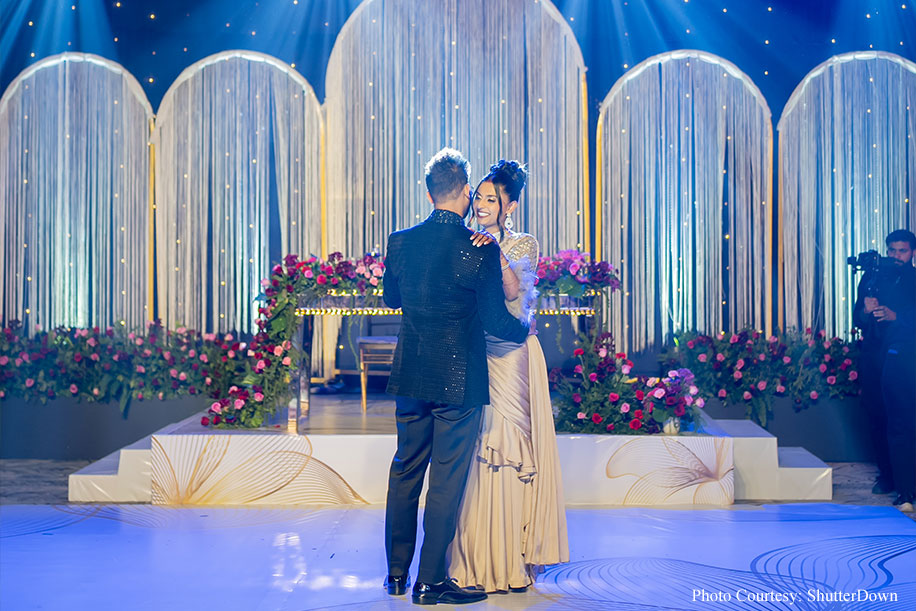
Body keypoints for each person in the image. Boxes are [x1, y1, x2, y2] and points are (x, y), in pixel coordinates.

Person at [382, 148, 532, 605]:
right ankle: (430, 582)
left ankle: (395, 575)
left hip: (411, 375)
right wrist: (525, 326)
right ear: (466, 192)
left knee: (405, 470)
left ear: (429, 194)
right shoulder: (477, 248)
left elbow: (392, 300)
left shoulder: (400, 241)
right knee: (445, 481)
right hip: (458, 381)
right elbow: (496, 322)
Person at [448, 160, 569, 592]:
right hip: (475, 355)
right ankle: (477, 554)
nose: (481, 205)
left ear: (509, 206)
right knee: (475, 451)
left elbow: (515, 294)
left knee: (509, 449)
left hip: (513, 357)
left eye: (491, 199)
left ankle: (514, 554)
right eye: (478, 197)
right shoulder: (461, 239)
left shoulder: (524, 244)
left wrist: (491, 249)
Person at [853, 229, 916, 509]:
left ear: (912, 253)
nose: (896, 256)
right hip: (873, 355)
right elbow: (857, 316)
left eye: (901, 251)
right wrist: (866, 311)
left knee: (902, 419)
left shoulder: (914, 280)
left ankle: (906, 487)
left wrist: (896, 317)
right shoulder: (872, 276)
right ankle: (887, 475)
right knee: (876, 415)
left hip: (903, 356)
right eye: (892, 250)